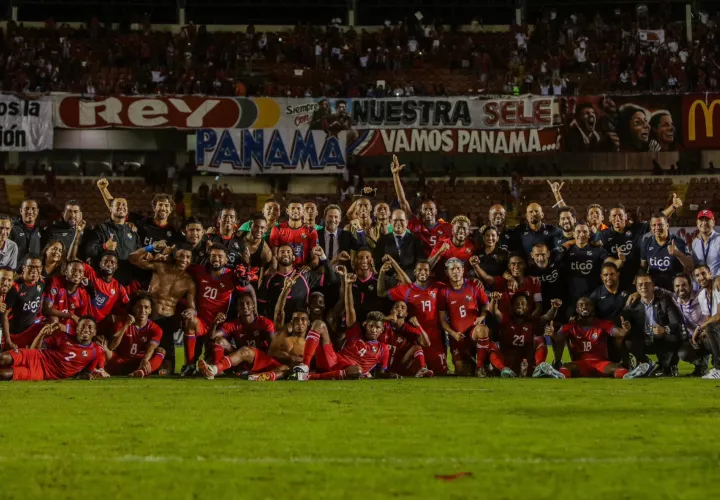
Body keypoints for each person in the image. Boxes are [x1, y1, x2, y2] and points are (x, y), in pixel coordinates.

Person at [182, 244, 255, 376]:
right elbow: (180, 267)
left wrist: (255, 310)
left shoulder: (232, 275)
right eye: (213, 255)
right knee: (189, 321)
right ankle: (190, 365)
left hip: (220, 325)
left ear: (226, 260)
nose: (216, 259)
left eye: (220, 256)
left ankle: (216, 366)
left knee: (213, 358)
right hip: (202, 322)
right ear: (209, 257)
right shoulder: (198, 270)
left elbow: (249, 288)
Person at [128, 241, 196, 374]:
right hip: (147, 318)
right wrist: (151, 247)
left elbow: (192, 306)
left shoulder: (189, 282)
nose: (184, 260)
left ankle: (144, 372)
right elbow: (132, 258)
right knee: (138, 353)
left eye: (188, 257)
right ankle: (139, 369)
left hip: (167, 321)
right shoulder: (160, 267)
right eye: (181, 256)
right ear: (175, 256)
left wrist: (191, 311)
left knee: (166, 364)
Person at [549, 297, 646, 379]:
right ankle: (559, 374)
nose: (584, 307)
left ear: (593, 309)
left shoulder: (603, 324)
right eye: (581, 305)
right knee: (566, 367)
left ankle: (628, 375)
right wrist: (553, 334)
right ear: (577, 309)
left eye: (588, 305)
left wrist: (625, 330)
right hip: (579, 363)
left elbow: (619, 333)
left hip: (600, 363)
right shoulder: (569, 327)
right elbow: (558, 338)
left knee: (616, 368)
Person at [597, 199, 682, 291]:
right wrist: (619, 261)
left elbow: (656, 221)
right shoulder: (603, 235)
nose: (617, 218)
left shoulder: (636, 229)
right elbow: (604, 257)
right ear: (609, 218)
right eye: (614, 216)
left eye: (620, 215)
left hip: (636, 280)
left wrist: (673, 207)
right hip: (615, 281)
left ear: (625, 216)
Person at [198, 292, 286, 380]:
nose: (245, 306)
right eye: (241, 304)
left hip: (260, 359)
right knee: (219, 340)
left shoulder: (265, 323)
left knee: (246, 350)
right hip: (241, 358)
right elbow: (212, 337)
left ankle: (214, 369)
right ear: (237, 308)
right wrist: (215, 323)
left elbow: (272, 347)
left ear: (253, 306)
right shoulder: (233, 324)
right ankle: (216, 370)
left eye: (248, 303)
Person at [382, 259, 447, 374]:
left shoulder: (439, 287)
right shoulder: (406, 290)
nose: (423, 272)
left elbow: (456, 288)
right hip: (414, 337)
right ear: (415, 272)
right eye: (420, 270)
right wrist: (382, 272)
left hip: (434, 337)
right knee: (413, 369)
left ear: (430, 272)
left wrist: (475, 282)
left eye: (426, 270)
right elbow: (381, 293)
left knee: (442, 372)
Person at [480, 291, 561, 378]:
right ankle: (503, 369)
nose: (520, 305)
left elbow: (547, 317)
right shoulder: (506, 319)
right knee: (492, 345)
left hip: (526, 361)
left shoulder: (532, 321)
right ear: (513, 307)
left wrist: (554, 308)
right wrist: (494, 300)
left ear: (527, 307)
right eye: (517, 303)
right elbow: (494, 311)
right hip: (507, 362)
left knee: (540, 340)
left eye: (523, 303)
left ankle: (539, 368)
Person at [293, 314, 398, 381]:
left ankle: (307, 377)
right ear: (366, 325)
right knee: (318, 323)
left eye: (377, 327)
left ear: (382, 329)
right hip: (333, 359)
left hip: (350, 371)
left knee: (358, 370)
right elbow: (350, 309)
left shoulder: (383, 348)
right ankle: (304, 367)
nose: (374, 330)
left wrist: (389, 375)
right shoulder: (356, 334)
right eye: (371, 326)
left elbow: (380, 374)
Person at [0, 317, 106, 381]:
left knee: (4, 375)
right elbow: (34, 350)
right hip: (37, 356)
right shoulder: (62, 336)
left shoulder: (96, 351)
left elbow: (85, 374)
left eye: (90, 327)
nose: (86, 329)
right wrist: (41, 334)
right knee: (3, 357)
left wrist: (94, 373)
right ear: (77, 329)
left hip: (43, 372)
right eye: (82, 326)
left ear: (95, 332)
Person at [621, 271, 683, 376]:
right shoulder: (632, 305)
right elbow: (626, 322)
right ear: (636, 288)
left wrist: (664, 329)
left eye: (647, 284)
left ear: (653, 286)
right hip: (644, 339)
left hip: (662, 338)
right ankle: (647, 363)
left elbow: (677, 323)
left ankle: (667, 366)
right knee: (627, 341)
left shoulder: (665, 301)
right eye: (640, 284)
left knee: (665, 336)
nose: (644, 287)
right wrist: (627, 326)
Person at [392, 155, 451, 255]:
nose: (428, 211)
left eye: (431, 209)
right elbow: (402, 201)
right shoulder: (415, 223)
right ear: (421, 211)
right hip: (419, 266)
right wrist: (395, 175)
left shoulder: (446, 227)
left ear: (436, 211)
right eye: (425, 209)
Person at [559, 221, 624, 314]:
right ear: (573, 234)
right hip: (571, 298)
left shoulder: (597, 250)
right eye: (578, 231)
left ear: (589, 234)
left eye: (585, 232)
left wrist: (621, 260)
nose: (582, 234)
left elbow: (614, 263)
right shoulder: (567, 251)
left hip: (593, 299)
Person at [438, 258, 489, 375]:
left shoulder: (474, 285)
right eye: (452, 269)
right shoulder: (444, 291)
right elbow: (442, 319)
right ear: (447, 272)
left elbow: (486, 304)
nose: (456, 272)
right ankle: (473, 362)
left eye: (458, 268)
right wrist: (453, 333)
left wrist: (482, 316)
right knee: (461, 372)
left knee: (483, 329)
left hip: (473, 332)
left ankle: (480, 367)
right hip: (457, 336)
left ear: (463, 270)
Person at [256, 244, 332, 318]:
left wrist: (323, 257)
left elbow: (332, 279)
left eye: (288, 252)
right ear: (277, 257)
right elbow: (261, 306)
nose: (285, 254)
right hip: (278, 325)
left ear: (293, 258)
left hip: (301, 324)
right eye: (282, 252)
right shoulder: (269, 279)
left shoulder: (305, 276)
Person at [84, 189, 139, 286]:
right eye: (118, 204)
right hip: (105, 283)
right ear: (110, 209)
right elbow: (89, 250)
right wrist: (104, 246)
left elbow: (139, 251)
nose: (121, 207)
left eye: (124, 205)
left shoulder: (132, 231)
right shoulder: (101, 228)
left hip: (127, 282)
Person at [105, 292, 166, 377]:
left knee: (161, 350)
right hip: (121, 361)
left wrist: (145, 360)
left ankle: (141, 372)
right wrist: (126, 324)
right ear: (133, 308)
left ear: (151, 310)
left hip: (140, 363)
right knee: (103, 348)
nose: (143, 311)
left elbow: (151, 347)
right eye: (139, 307)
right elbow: (112, 347)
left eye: (146, 307)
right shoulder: (122, 323)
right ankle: (99, 369)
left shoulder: (155, 328)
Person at [640, 212, 693, 290]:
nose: (657, 228)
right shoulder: (647, 242)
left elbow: (691, 265)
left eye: (660, 225)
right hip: (654, 290)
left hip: (674, 290)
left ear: (667, 226)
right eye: (654, 225)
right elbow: (643, 267)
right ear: (651, 228)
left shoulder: (678, 242)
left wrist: (678, 254)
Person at [379, 301, 433, 377]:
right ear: (391, 311)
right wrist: (386, 318)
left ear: (406, 314)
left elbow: (427, 344)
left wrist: (418, 325)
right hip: (383, 365)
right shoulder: (383, 325)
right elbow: (367, 323)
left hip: (400, 365)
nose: (399, 309)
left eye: (402, 307)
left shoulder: (409, 328)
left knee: (416, 348)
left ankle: (422, 370)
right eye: (396, 307)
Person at [1, 255, 44, 349]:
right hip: (13, 334)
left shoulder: (41, 283)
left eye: (37, 267)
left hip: (29, 331)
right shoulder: (15, 287)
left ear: (41, 269)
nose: (34, 270)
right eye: (31, 266)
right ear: (24, 267)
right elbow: (4, 315)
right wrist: (8, 341)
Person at [373, 209, 424, 277]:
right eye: (395, 220)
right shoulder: (382, 240)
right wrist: (393, 275)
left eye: (401, 220)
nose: (398, 223)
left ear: (406, 222)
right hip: (388, 280)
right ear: (391, 222)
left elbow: (420, 262)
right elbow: (377, 263)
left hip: (410, 280)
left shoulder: (416, 240)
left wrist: (405, 277)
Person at [41, 260, 90, 331]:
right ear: (66, 272)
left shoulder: (83, 292)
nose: (77, 274)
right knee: (54, 320)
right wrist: (71, 316)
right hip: (47, 320)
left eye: (80, 271)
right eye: (73, 270)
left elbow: (81, 318)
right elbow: (46, 310)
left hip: (66, 323)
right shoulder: (55, 282)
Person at [269, 199, 319, 266]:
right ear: (287, 211)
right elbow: (274, 255)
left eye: (298, 208)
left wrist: (310, 267)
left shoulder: (311, 231)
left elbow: (315, 257)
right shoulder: (277, 229)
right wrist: (275, 270)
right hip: (283, 270)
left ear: (303, 211)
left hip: (302, 271)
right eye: (292, 208)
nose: (295, 211)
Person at [10, 198, 42, 270]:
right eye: (26, 208)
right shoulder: (11, 228)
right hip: (14, 274)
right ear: (21, 211)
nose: (30, 211)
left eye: (33, 208)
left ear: (37, 211)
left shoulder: (40, 230)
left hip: (33, 274)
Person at [692, 209, 720, 278]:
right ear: (697, 223)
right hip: (701, 284)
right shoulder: (695, 242)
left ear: (713, 222)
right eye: (701, 220)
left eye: (707, 220)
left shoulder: (719, 239)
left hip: (717, 283)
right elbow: (695, 265)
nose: (704, 223)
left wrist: (718, 276)